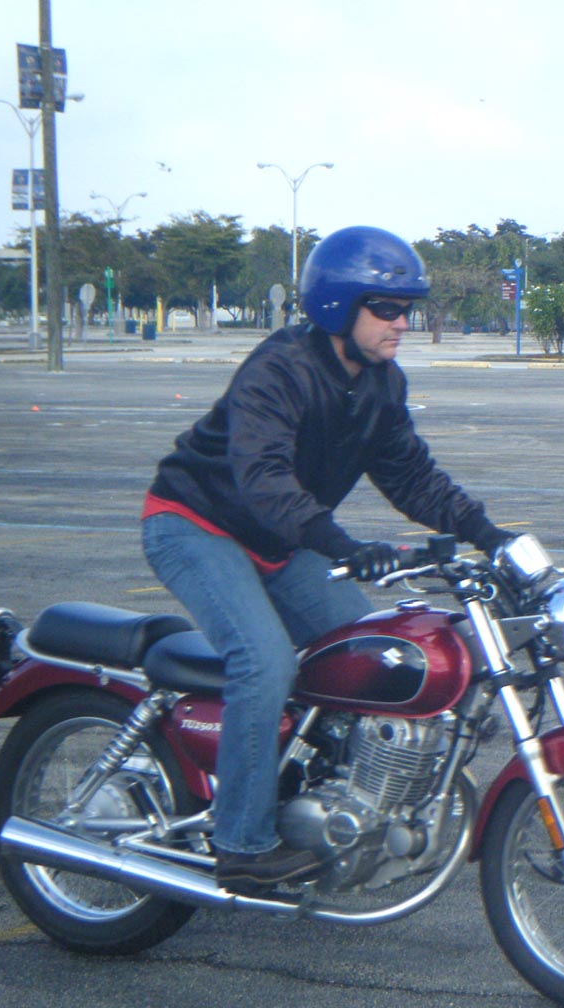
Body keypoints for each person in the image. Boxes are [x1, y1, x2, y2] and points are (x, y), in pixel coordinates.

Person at [141, 225, 512, 897]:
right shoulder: (279, 369)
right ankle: (242, 844)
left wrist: (490, 534)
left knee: (370, 659)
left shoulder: (381, 384)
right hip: (195, 524)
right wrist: (341, 545)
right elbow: (262, 476)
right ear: (339, 306)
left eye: (408, 309)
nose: (402, 322)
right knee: (265, 662)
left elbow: (412, 476)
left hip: (281, 540)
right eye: (388, 308)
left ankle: (326, 804)